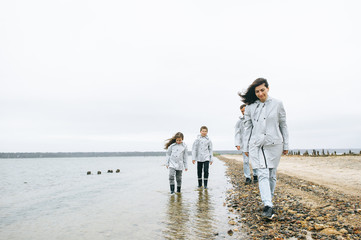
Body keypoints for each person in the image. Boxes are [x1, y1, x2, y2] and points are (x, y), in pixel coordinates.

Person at [239, 78, 289, 219]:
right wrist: (246, 146)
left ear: (268, 88)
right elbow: (247, 128)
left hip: (274, 143)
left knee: (272, 174)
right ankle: (267, 204)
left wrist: (286, 144)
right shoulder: (250, 107)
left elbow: (283, 125)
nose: (260, 93)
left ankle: (269, 201)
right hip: (256, 144)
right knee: (262, 173)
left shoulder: (278, 104)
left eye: (262, 90)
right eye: (257, 91)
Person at [235, 104, 258, 185]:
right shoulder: (239, 122)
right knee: (245, 161)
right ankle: (247, 177)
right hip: (244, 145)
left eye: (245, 110)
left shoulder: (254, 119)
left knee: (254, 160)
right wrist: (237, 143)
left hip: (253, 143)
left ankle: (255, 175)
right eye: (242, 111)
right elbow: (237, 133)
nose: (244, 112)